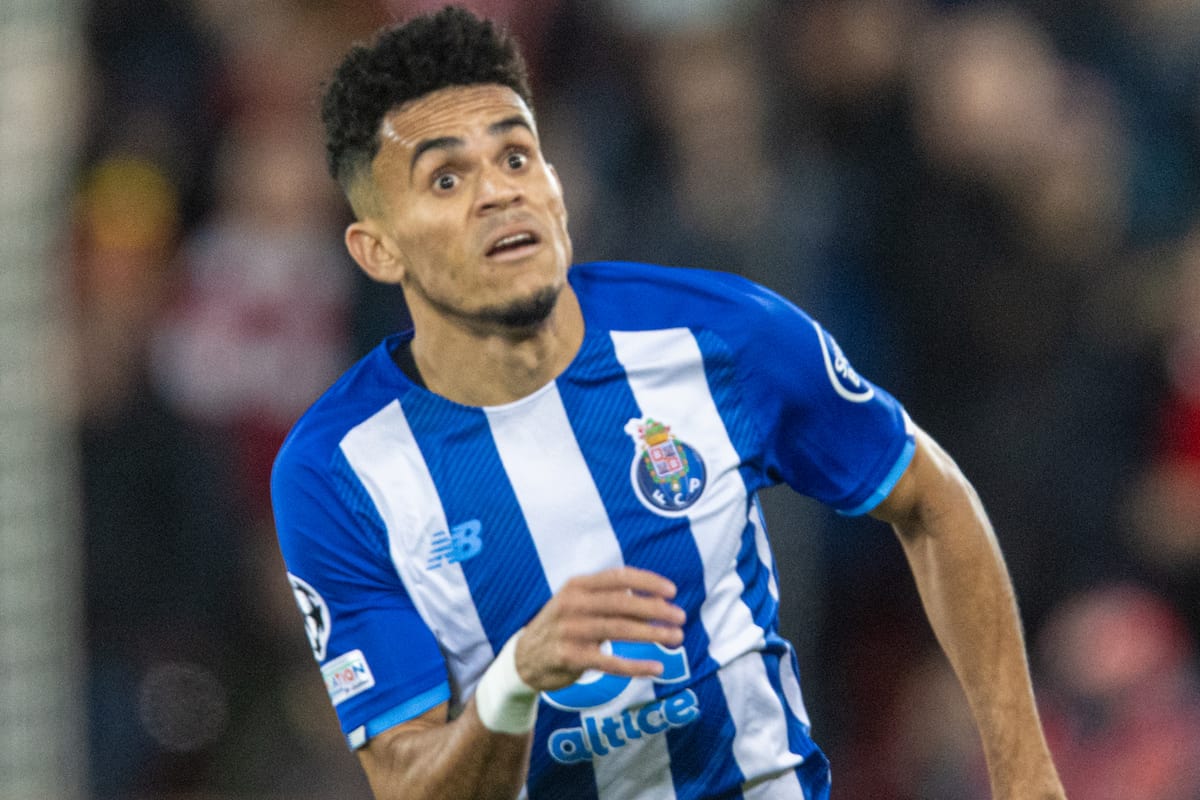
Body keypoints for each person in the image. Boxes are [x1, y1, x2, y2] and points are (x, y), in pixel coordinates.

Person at [270, 7, 1066, 799]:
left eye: (517, 156)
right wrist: (513, 682)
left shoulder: (722, 336)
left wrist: (1027, 778)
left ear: (557, 188)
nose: (498, 193)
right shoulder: (338, 472)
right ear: (378, 249)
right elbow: (411, 787)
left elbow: (931, 499)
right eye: (447, 178)